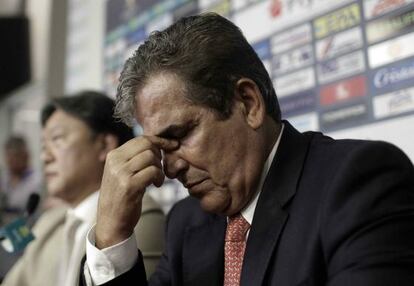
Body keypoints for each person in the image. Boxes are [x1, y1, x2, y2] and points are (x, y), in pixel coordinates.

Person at [82, 13, 414, 286]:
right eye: (160, 148)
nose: (169, 169)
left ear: (248, 103)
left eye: (180, 135)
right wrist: (113, 238)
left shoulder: (359, 182)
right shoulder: (186, 224)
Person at [2, 91, 165, 286]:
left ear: (104, 145)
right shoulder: (48, 223)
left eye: (57, 139)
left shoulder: (138, 214)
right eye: (43, 146)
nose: (44, 157)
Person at [0, 136, 42, 224]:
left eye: (15, 156)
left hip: (27, 229)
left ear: (26, 155)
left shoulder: (37, 180)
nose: (10, 161)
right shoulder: (4, 176)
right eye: (8, 156)